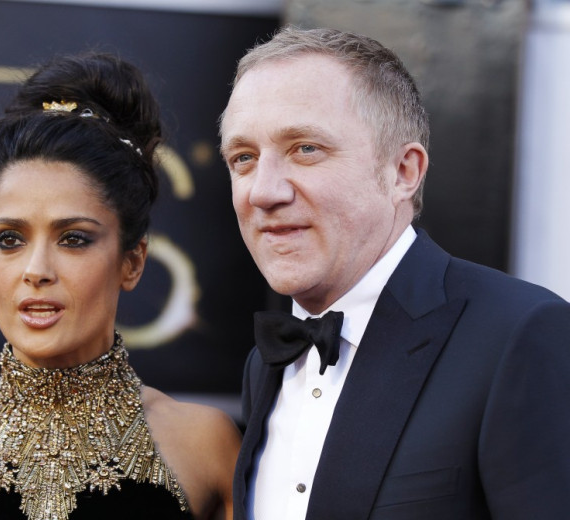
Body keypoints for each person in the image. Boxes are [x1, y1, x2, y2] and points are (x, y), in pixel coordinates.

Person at [219, 25, 570, 520]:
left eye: (306, 149)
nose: (263, 191)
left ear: (403, 172)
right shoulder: (266, 364)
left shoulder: (522, 335)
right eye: (244, 158)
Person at [0, 52, 240, 520]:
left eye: (73, 239)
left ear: (132, 261)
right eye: (9, 239)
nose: (36, 270)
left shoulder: (206, 444)